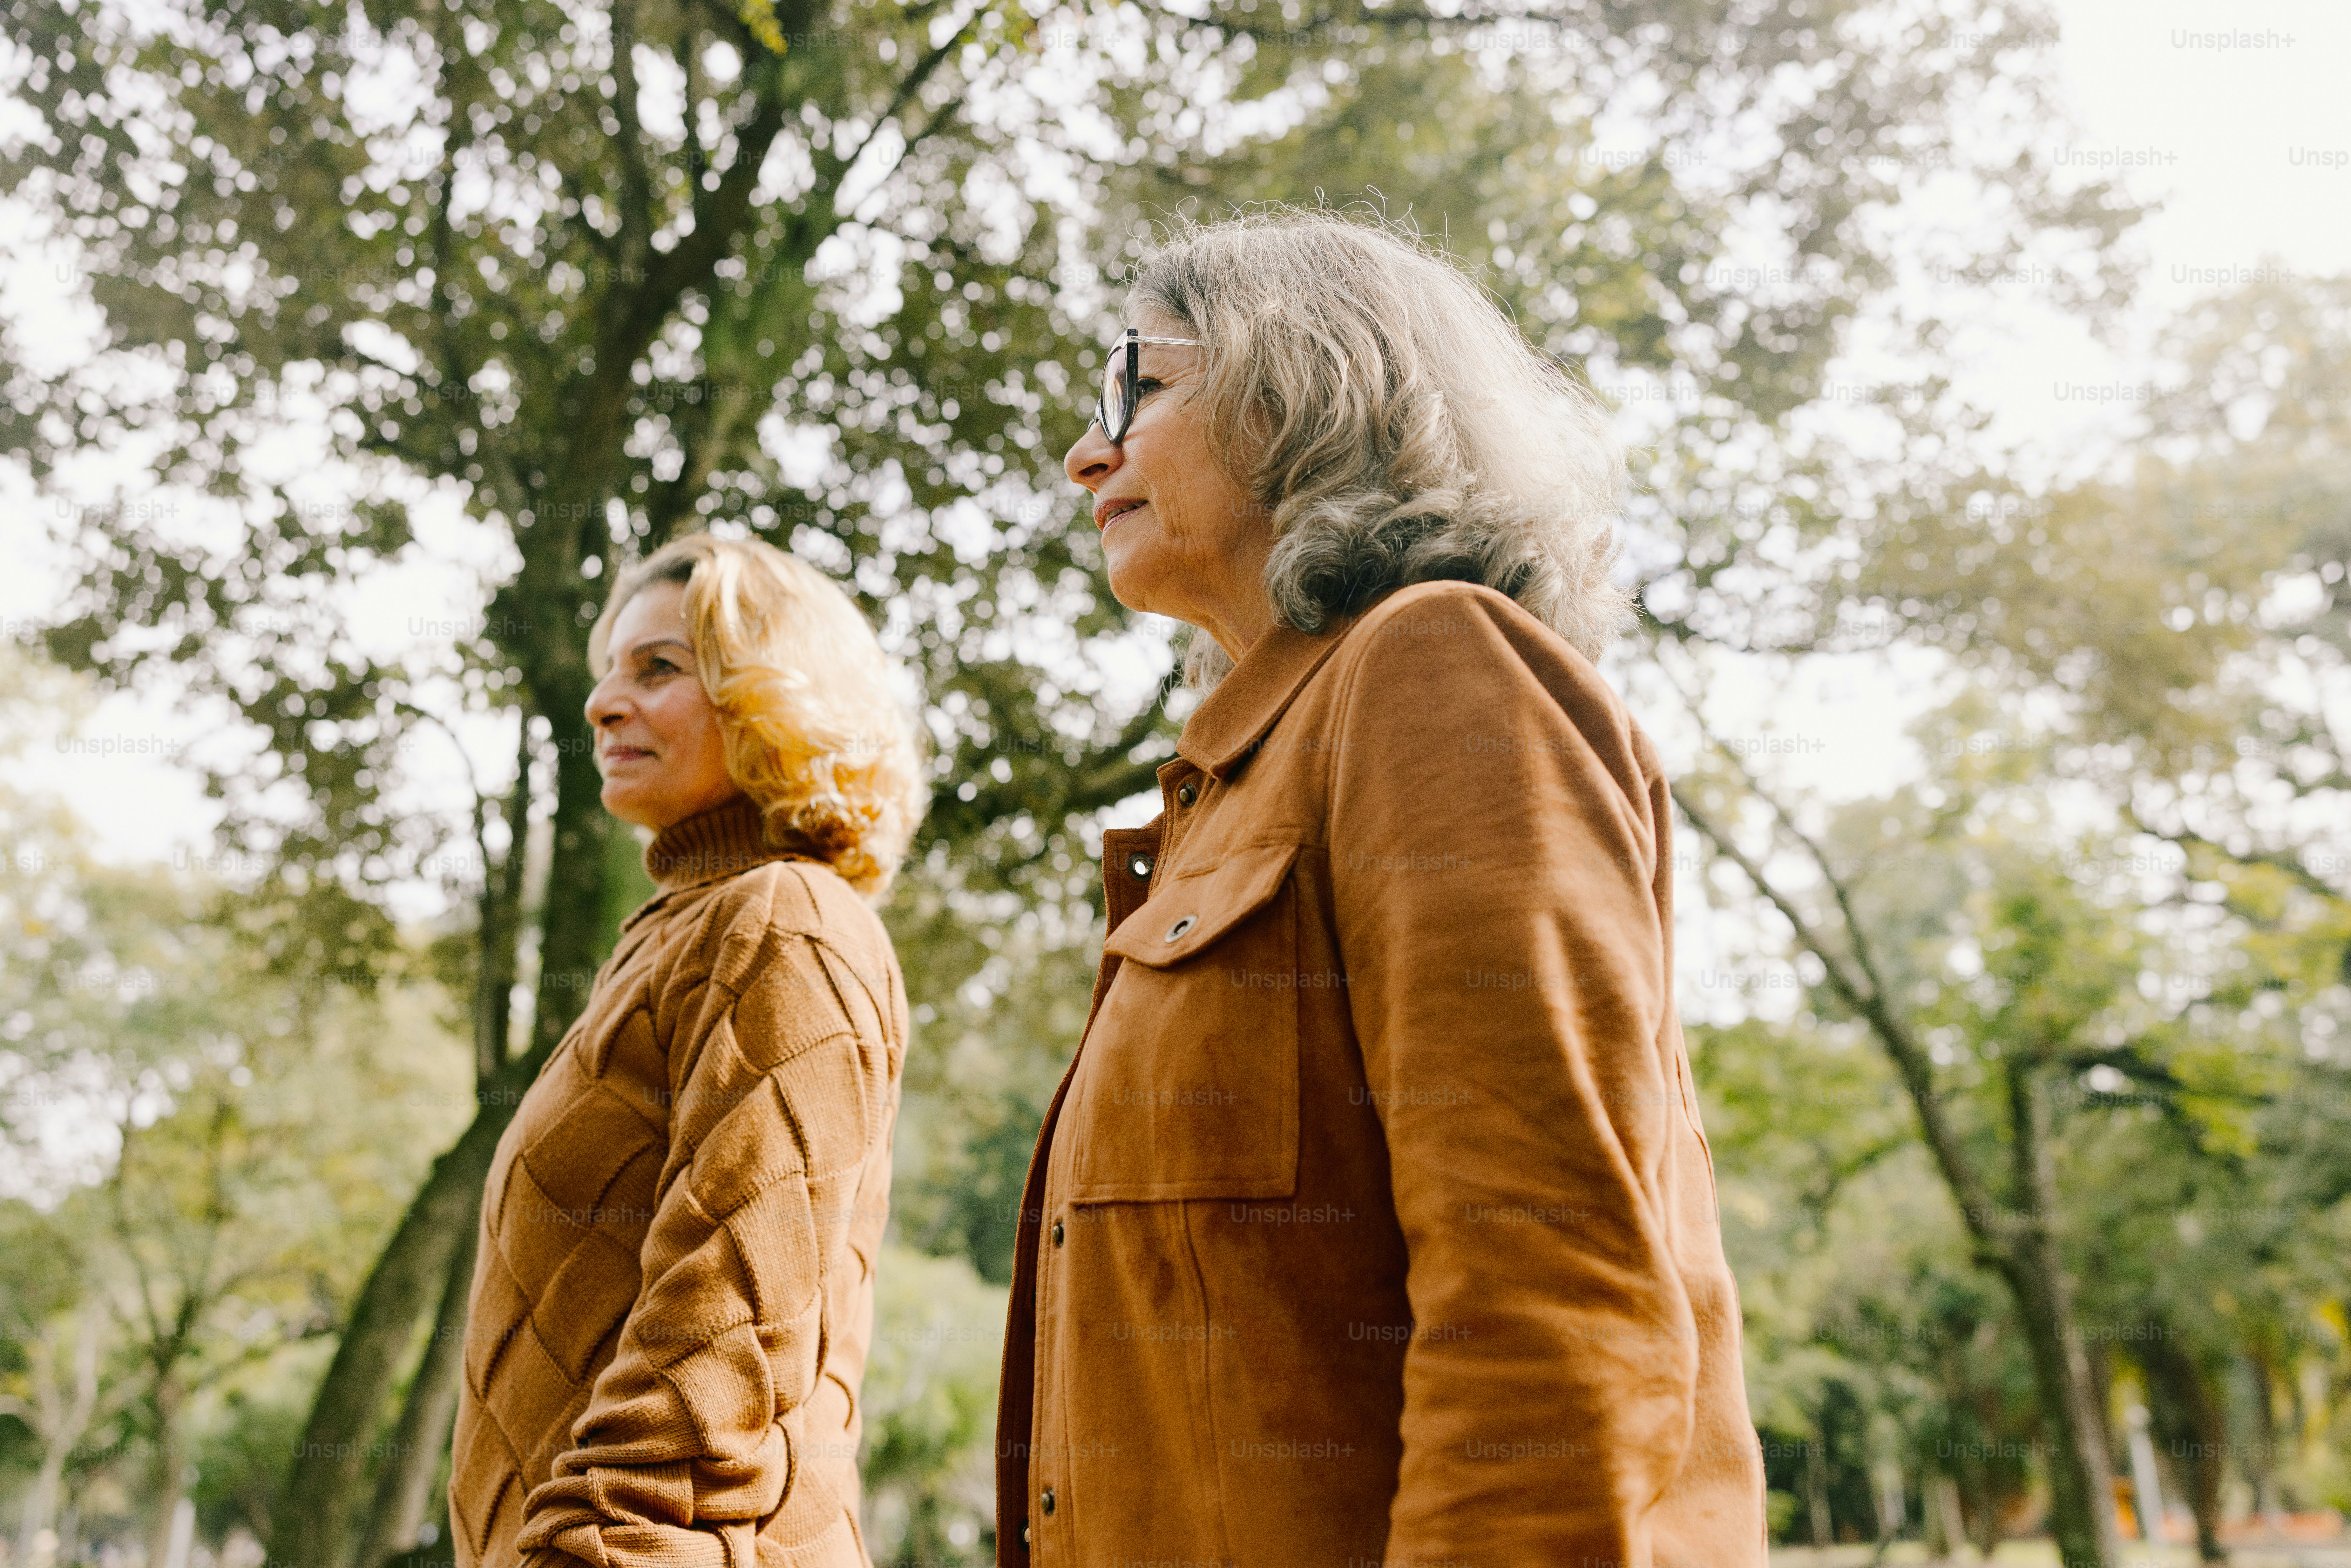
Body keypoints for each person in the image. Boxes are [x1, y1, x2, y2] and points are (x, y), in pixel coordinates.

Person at [995, 211, 1766, 1568]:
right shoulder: (1229, 793)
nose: (1085, 453)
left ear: (1310, 384)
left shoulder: (1435, 666)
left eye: (1139, 386)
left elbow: (1547, 1292)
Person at [449, 533, 925, 1568]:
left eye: (657, 668)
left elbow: (727, 1328)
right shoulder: (681, 936)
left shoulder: (785, 922)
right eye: (608, 671)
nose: (603, 704)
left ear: (777, 699)